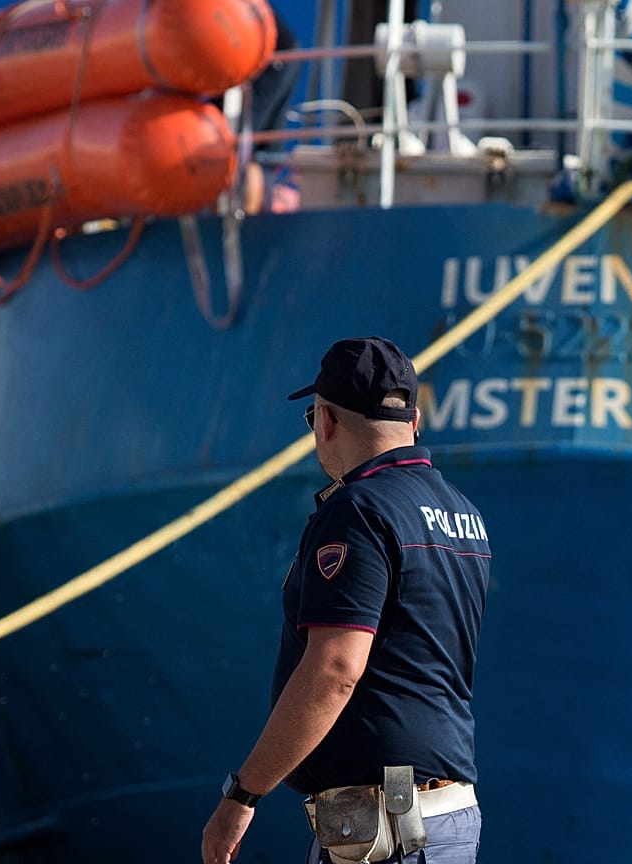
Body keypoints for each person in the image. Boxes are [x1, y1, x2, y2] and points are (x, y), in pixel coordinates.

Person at [201, 336, 491, 864]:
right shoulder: (462, 513)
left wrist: (241, 797)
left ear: (327, 421)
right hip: (443, 821)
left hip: (389, 834)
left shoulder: (358, 509)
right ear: (414, 421)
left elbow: (336, 669)